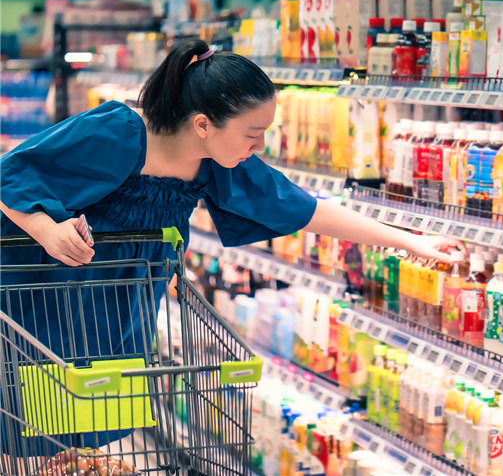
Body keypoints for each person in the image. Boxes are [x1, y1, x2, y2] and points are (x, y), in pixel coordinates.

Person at [0, 39, 465, 457]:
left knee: (89, 423)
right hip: (46, 293)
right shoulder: (119, 132)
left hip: (120, 306)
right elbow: (12, 173)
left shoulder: (215, 159)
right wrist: (46, 227)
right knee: (31, 417)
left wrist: (410, 241)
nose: (259, 145)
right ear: (203, 123)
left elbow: (298, 205)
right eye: (252, 134)